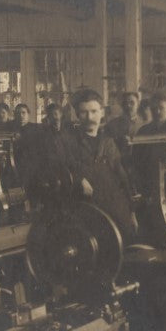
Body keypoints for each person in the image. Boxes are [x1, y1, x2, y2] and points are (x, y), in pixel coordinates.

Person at [62, 89, 135, 239]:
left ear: (102, 112)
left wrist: (132, 211)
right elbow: (57, 167)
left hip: (113, 210)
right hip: (84, 213)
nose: (90, 117)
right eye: (84, 112)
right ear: (77, 114)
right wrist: (78, 179)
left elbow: (122, 178)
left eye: (94, 111)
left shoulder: (108, 142)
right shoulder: (67, 142)